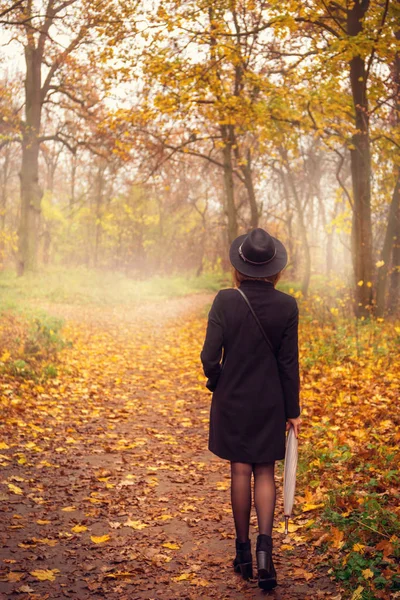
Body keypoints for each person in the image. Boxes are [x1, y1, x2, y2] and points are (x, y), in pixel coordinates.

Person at [200, 227, 302, 591]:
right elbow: (288, 363)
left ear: (239, 266)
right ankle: (265, 556)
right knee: (264, 473)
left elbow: (209, 357)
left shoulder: (225, 301)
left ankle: (242, 554)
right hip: (270, 400)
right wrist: (293, 410)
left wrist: (218, 382)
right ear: (275, 268)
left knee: (240, 471)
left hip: (234, 397)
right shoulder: (287, 306)